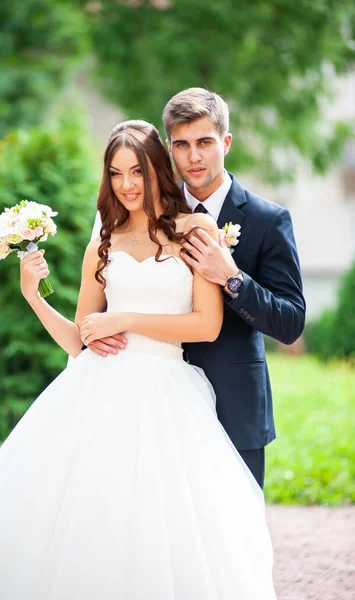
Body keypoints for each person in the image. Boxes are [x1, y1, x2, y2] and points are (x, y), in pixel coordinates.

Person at [0, 120, 276, 599]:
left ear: (157, 171)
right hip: (99, 392)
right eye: (116, 173)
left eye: (138, 172)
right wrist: (35, 297)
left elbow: (205, 325)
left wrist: (122, 318)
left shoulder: (194, 229)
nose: (127, 185)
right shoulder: (102, 242)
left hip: (168, 392)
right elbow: (79, 340)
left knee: (164, 522)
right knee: (92, 516)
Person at [90, 88, 306, 488]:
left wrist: (232, 277)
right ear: (168, 149)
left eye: (205, 142)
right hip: (150, 401)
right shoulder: (149, 214)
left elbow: (290, 322)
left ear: (225, 142)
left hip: (232, 401)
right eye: (182, 144)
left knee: (235, 534)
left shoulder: (268, 219)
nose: (194, 156)